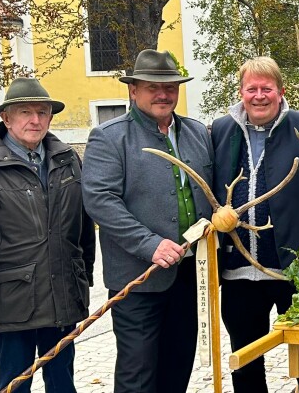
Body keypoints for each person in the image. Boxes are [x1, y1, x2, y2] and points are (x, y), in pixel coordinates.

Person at [0, 77, 95, 393]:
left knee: (63, 383)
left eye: (42, 112)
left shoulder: (67, 158)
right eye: (25, 112)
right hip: (11, 300)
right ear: (6, 118)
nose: (35, 120)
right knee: (14, 385)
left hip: (62, 295)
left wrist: (84, 280)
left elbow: (82, 228)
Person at [211, 56, 299, 393]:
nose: (259, 96)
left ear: (281, 92)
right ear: (241, 92)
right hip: (239, 272)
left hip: (296, 270)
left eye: (266, 88)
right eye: (252, 88)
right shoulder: (220, 131)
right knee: (245, 361)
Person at [82, 50, 213, 393]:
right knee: (137, 374)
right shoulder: (109, 137)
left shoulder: (197, 133)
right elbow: (100, 201)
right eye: (153, 86)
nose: (163, 94)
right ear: (133, 91)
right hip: (138, 278)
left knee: (177, 365)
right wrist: (149, 244)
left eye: (170, 87)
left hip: (189, 276)